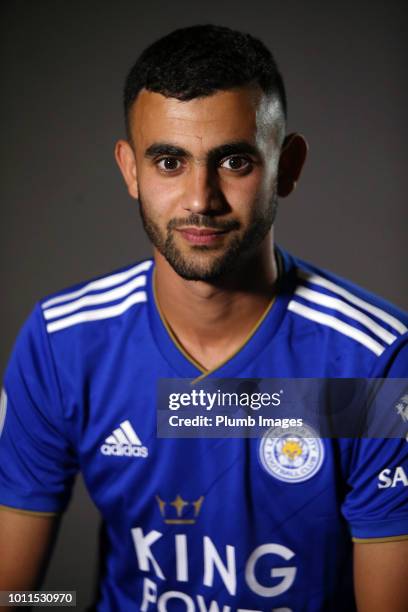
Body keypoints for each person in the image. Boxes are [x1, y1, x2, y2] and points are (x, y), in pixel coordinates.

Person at [0, 24, 407, 612]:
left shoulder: (375, 364)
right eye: (169, 161)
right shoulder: (62, 342)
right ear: (130, 169)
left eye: (235, 161)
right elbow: (15, 596)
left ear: (286, 166)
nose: (200, 198)